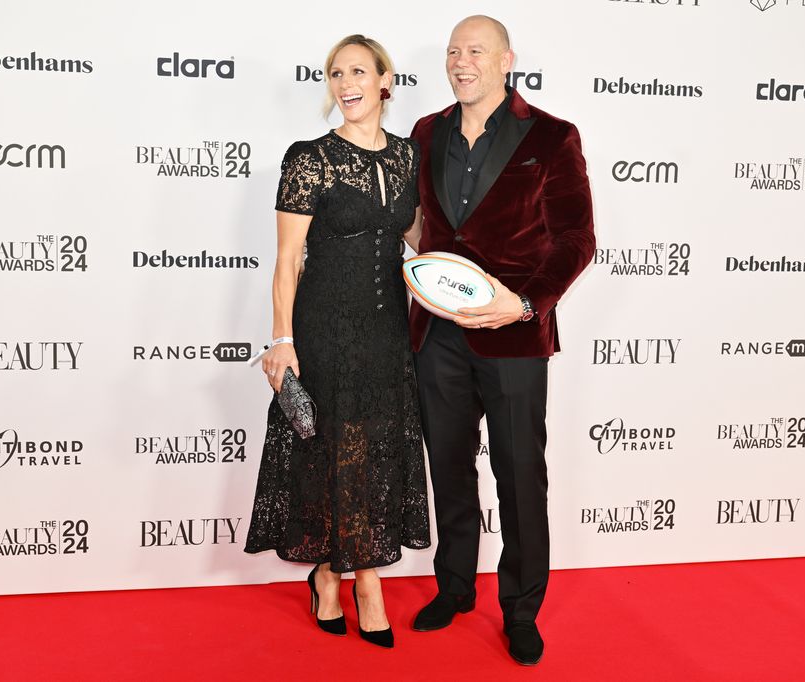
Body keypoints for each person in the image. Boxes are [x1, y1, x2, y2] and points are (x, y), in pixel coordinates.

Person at [408, 15, 595, 665]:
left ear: (506, 60)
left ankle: (521, 609)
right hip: (436, 336)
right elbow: (422, 228)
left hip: (514, 336)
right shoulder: (426, 132)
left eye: (477, 51)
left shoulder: (552, 135)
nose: (463, 62)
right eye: (455, 51)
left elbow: (576, 239)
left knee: (519, 475)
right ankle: (455, 586)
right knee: (449, 469)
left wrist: (522, 304)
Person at [244, 34, 430, 649]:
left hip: (386, 333)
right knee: (331, 453)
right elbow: (287, 259)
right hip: (323, 330)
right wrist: (281, 338)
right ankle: (364, 583)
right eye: (334, 73)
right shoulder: (309, 158)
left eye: (357, 71)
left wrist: (473, 288)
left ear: (385, 81)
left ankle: (328, 571)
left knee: (372, 452)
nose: (345, 83)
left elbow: (421, 247)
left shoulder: (408, 157)